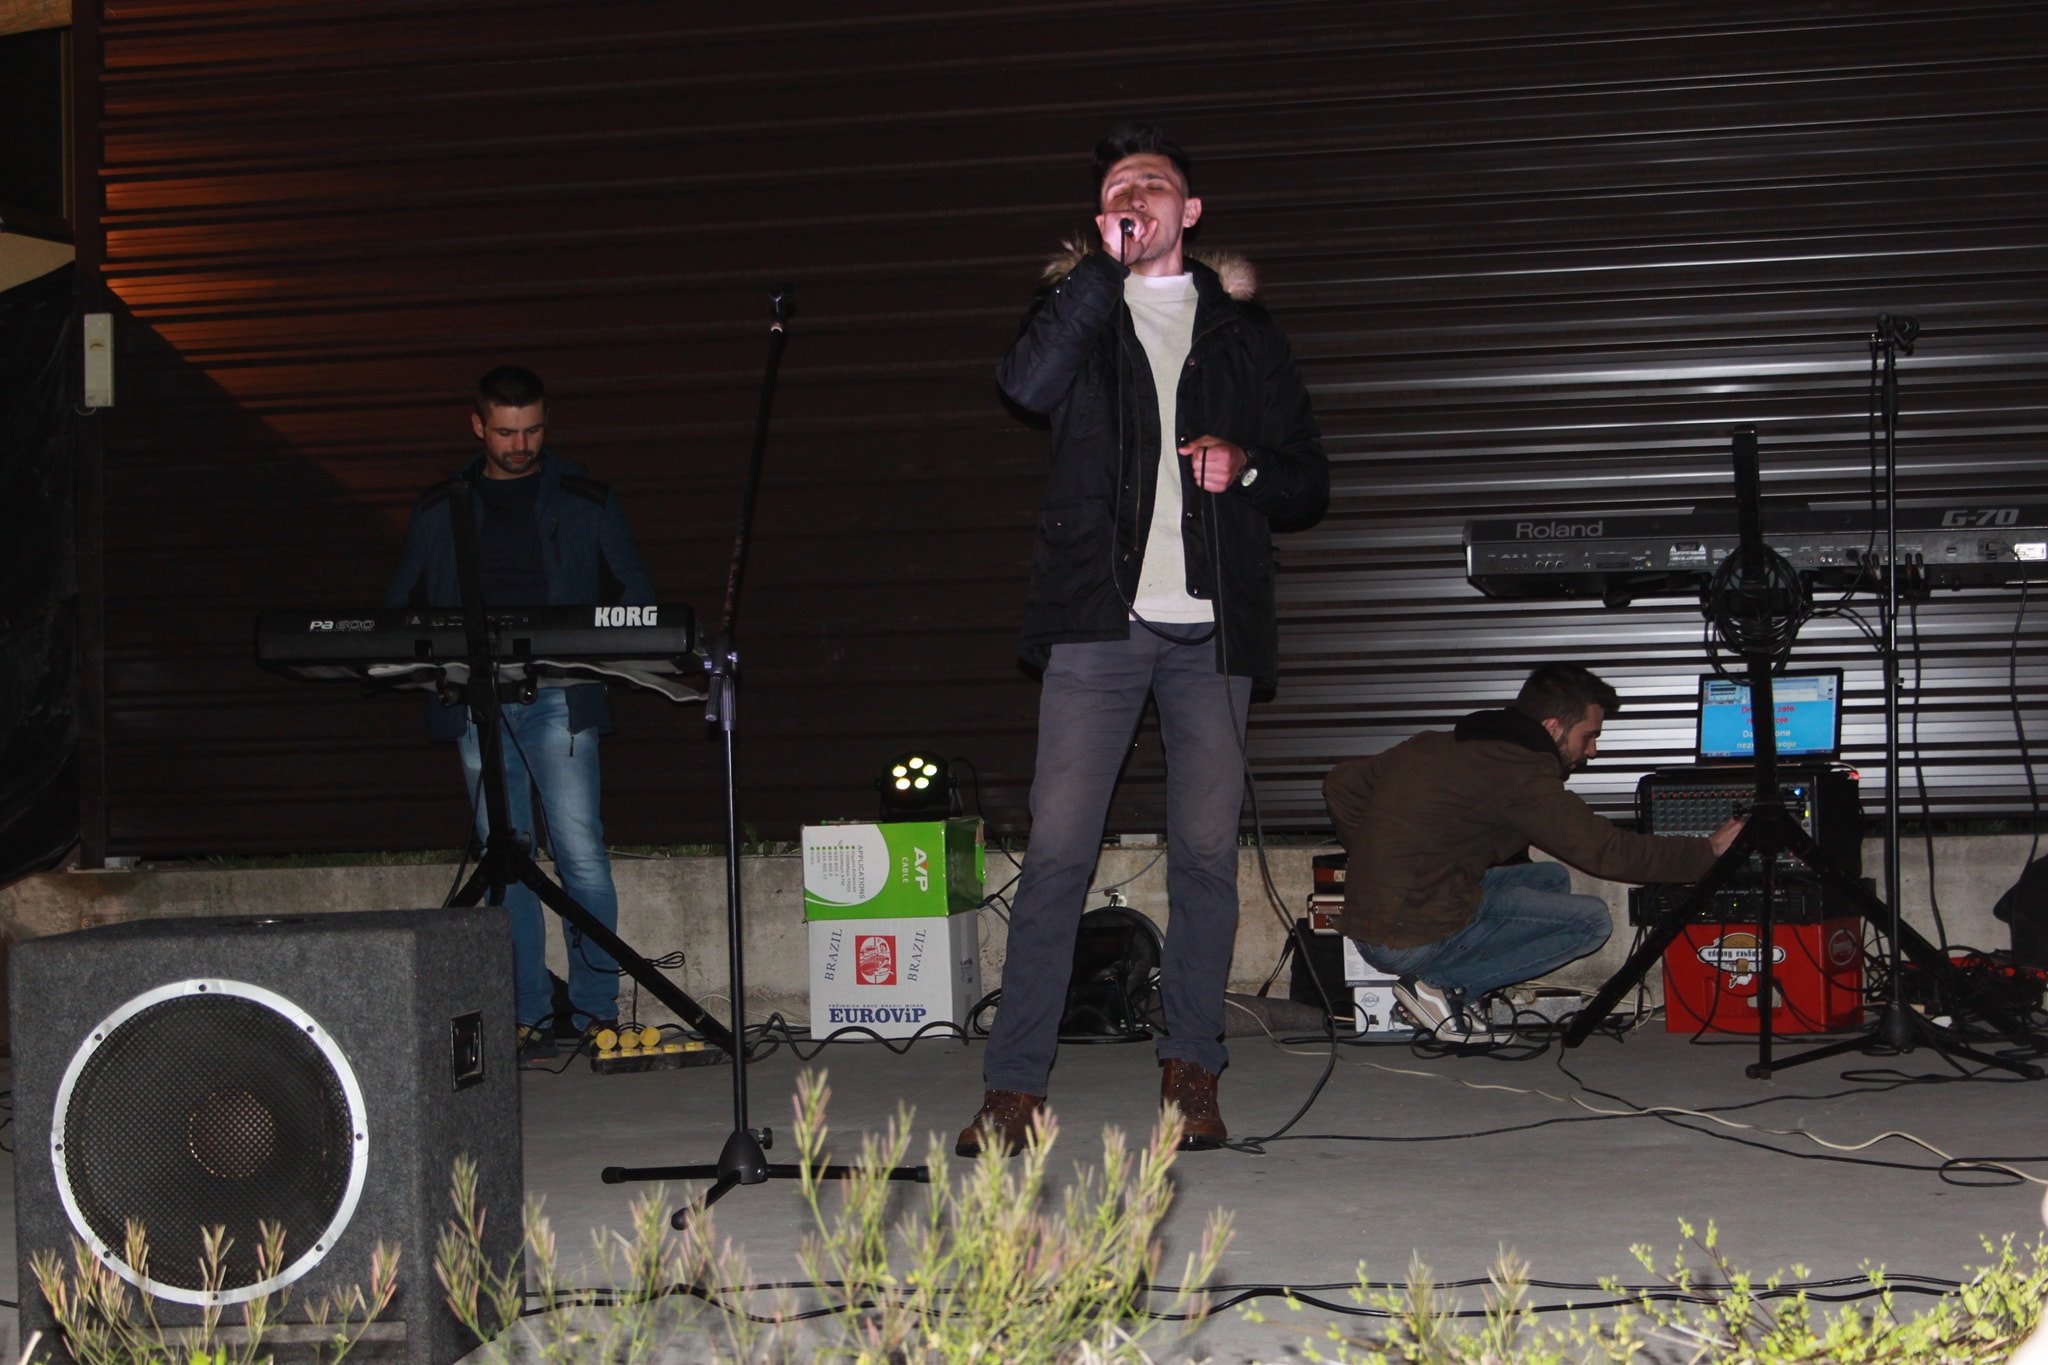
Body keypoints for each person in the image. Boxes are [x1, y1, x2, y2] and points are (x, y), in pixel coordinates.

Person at [957, 124, 1328, 1156]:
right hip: (1096, 622)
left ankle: (1191, 1074)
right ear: (1102, 216)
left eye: (1155, 184)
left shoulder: (1244, 333)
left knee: (1205, 857)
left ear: (1189, 212)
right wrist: (1096, 277)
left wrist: (1247, 468)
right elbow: (1024, 386)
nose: (1137, 195)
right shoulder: (1078, 315)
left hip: (1212, 630)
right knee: (1056, 857)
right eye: (1120, 187)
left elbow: (1308, 476)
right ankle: (1013, 1089)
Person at [386, 365, 656, 1065]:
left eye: (533, 430)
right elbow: (399, 603)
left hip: (560, 691)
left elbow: (636, 594)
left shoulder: (586, 499)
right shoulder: (441, 507)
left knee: (580, 855)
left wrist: (591, 641)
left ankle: (595, 1012)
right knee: (504, 859)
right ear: (478, 427)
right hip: (478, 698)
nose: (521, 444)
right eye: (507, 432)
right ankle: (527, 1014)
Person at [1322, 663, 1744, 1043]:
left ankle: (1438, 988)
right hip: (1405, 938)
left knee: (1548, 879)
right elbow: (1606, 851)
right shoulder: (1518, 771)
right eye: (1589, 736)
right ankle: (1443, 987)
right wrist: (1706, 851)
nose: (1592, 751)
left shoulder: (1440, 744)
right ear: (1554, 726)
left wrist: (1377, 862)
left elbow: (1341, 784)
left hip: (1382, 915)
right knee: (1591, 922)